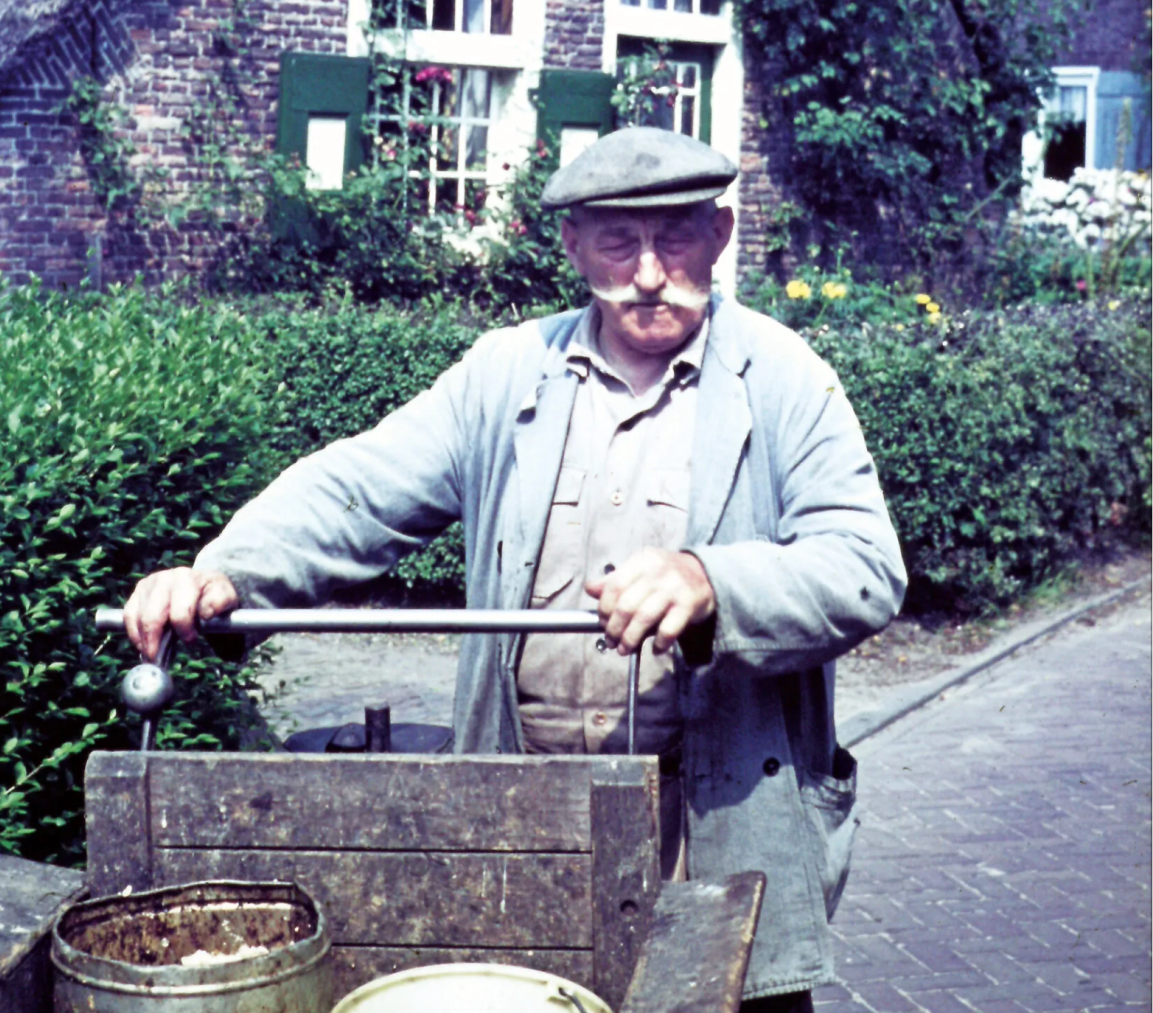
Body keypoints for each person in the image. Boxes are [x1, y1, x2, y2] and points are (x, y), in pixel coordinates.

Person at [123, 127, 907, 1010]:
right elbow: (362, 483)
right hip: (527, 817)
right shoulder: (508, 372)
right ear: (573, 246)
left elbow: (866, 566)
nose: (649, 272)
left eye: (675, 237)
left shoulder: (784, 379)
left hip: (710, 818)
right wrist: (228, 571)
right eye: (619, 241)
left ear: (720, 234)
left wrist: (710, 581)